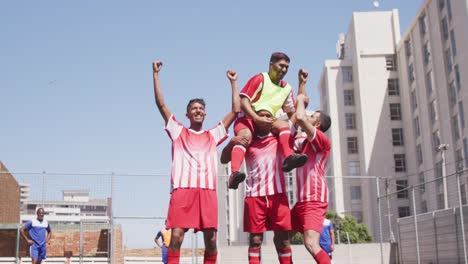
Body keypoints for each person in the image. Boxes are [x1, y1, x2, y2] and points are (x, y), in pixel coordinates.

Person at [152, 60, 240, 264]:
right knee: (176, 237)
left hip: (207, 191)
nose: (198, 110)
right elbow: (161, 104)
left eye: (201, 108)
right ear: (187, 114)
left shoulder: (213, 135)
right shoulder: (178, 131)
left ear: (205, 113)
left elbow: (235, 111)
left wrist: (233, 83)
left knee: (211, 240)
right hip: (183, 189)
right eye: (194, 108)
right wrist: (156, 75)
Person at [221, 109, 293, 264]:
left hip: (278, 195)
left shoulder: (280, 138)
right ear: (255, 118)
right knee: (255, 240)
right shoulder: (248, 140)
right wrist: (232, 142)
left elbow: (295, 118)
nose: (265, 118)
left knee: (283, 240)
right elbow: (223, 158)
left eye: (269, 115)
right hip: (254, 196)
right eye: (261, 115)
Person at [228, 52, 308, 190]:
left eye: (287, 67)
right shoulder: (259, 79)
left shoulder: (286, 88)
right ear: (271, 64)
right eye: (281, 65)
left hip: (268, 119)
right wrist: (256, 118)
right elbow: (244, 102)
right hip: (248, 117)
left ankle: (288, 158)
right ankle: (234, 173)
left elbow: (292, 114)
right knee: (244, 137)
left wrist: (302, 85)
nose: (284, 69)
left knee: (284, 125)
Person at [290, 77, 332, 264]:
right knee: (281, 237)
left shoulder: (321, 141)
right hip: (301, 201)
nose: (308, 115)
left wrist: (299, 101)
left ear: (317, 126)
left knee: (311, 243)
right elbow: (291, 133)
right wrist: (301, 83)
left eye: (312, 116)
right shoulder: (304, 142)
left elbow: (299, 117)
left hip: (314, 199)